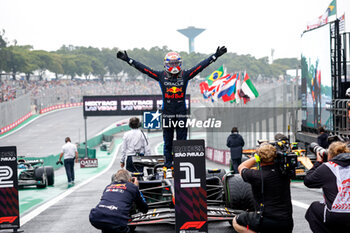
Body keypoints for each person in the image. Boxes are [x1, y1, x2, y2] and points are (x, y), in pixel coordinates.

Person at [117, 46, 227, 171]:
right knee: (168, 142)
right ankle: (168, 165)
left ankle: (182, 164)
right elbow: (145, 70)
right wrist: (129, 60)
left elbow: (200, 67)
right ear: (166, 64)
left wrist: (215, 56)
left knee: (182, 142)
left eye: (176, 63)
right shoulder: (161, 75)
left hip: (181, 113)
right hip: (167, 113)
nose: (174, 66)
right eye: (172, 63)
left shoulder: (185, 75)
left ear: (180, 64)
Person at [232, 143, 293, 233]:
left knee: (236, 221)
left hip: (266, 221)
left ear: (260, 157)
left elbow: (241, 167)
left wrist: (256, 157)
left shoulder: (256, 175)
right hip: (287, 222)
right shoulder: (284, 173)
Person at [304, 141, 350, 233]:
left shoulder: (327, 167)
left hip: (336, 214)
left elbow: (308, 181)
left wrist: (318, 162)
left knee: (313, 209)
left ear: (329, 155)